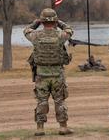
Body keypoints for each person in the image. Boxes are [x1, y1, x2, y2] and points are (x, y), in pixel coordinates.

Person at [23, 8, 73, 136]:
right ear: (55, 20)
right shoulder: (60, 36)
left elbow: (26, 30)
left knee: (41, 101)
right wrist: (59, 22)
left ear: (42, 21)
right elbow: (69, 30)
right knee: (59, 101)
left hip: (41, 74)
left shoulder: (36, 36)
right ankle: (63, 127)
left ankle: (40, 128)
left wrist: (36, 22)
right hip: (57, 74)